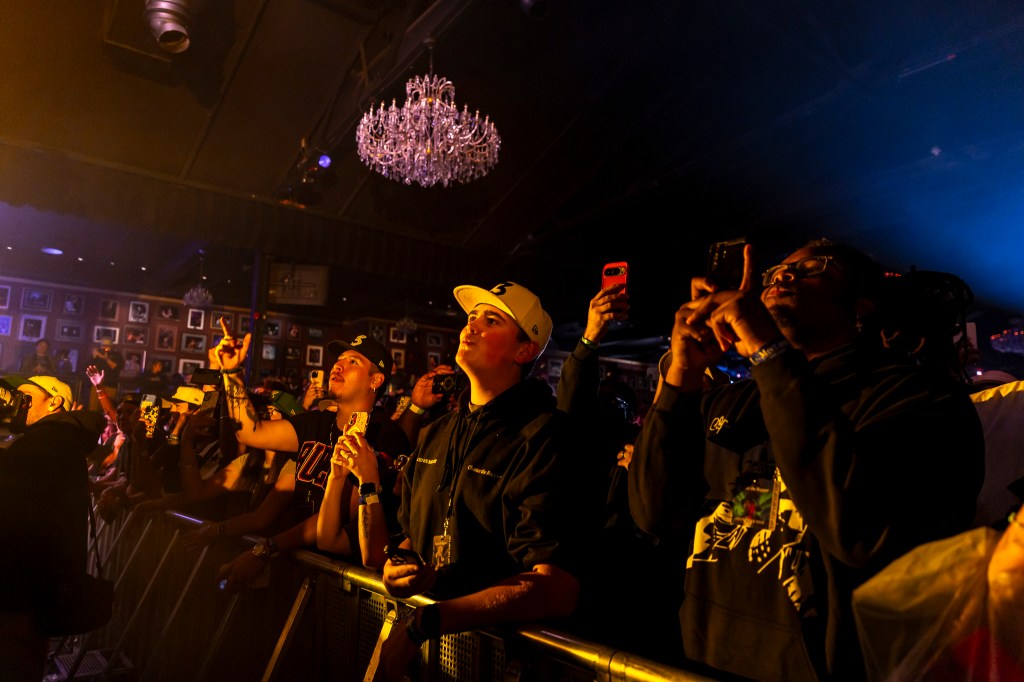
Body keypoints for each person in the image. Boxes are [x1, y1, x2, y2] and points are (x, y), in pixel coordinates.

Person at [627, 239, 986, 681]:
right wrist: (681, 375)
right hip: (701, 662)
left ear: (862, 306)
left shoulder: (918, 398)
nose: (784, 275)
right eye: (777, 270)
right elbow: (653, 513)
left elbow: (858, 533)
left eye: (816, 267)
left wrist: (767, 350)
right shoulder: (737, 400)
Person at [378, 282, 588, 682]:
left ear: (524, 351)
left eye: (491, 320)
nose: (469, 327)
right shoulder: (437, 432)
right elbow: (410, 536)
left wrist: (429, 620)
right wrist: (399, 569)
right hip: (426, 656)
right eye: (471, 317)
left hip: (501, 663)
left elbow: (556, 586)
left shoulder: (545, 436)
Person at [213, 332, 416, 591]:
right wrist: (231, 372)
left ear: (375, 380)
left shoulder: (383, 435)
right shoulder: (316, 422)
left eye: (353, 362)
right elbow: (250, 432)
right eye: (339, 359)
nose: (338, 365)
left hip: (340, 581)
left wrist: (266, 548)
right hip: (293, 566)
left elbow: (341, 515)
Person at [554, 282, 687, 666]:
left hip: (646, 598)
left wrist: (645, 470)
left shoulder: (672, 449)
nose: (616, 412)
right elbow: (571, 405)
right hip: (593, 586)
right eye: (607, 403)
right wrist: (590, 338)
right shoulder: (595, 442)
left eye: (621, 405)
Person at [0, 374, 105, 681]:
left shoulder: (48, 441)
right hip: (29, 586)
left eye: (25, 398)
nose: (16, 405)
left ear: (54, 402)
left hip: (19, 587)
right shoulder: (55, 439)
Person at [87, 337, 124, 411]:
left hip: (110, 386)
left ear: (112, 346)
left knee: (108, 411)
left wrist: (106, 358)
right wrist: (94, 357)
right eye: (103, 345)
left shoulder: (117, 355)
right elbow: (87, 368)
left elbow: (117, 368)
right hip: (96, 387)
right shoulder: (97, 355)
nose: (104, 347)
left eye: (107, 345)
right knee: (93, 410)